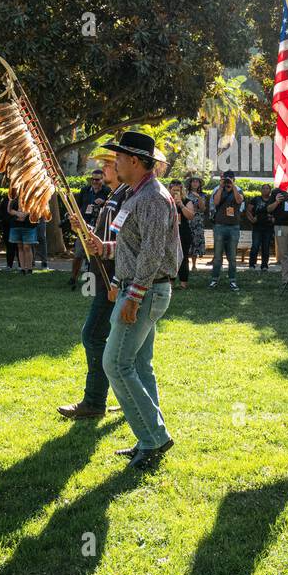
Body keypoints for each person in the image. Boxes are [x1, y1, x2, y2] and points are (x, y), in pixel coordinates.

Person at [91, 132, 180, 469]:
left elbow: (154, 252)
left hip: (145, 291)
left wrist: (133, 294)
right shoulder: (136, 194)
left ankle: (154, 438)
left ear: (136, 161)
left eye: (119, 157)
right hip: (140, 287)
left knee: (115, 363)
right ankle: (148, 437)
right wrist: (106, 249)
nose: (113, 163)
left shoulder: (152, 198)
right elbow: (136, 247)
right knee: (139, 365)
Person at [59, 148, 127, 420]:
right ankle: (123, 399)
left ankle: (95, 402)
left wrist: (114, 280)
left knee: (93, 336)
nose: (104, 169)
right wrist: (83, 229)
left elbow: (123, 244)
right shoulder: (115, 196)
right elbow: (100, 240)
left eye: (109, 164)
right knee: (128, 348)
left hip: (112, 279)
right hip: (105, 277)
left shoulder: (125, 197)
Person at [71, 169, 109, 289]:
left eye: (97, 179)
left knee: (94, 256)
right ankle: (73, 278)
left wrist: (103, 202)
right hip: (84, 226)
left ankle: (91, 282)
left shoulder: (107, 191)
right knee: (78, 253)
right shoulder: (85, 190)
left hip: (98, 227)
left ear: (102, 179)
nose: (94, 181)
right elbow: (78, 207)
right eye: (92, 179)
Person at [210, 170, 243, 291]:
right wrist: (221, 186)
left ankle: (232, 280)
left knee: (232, 257)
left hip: (233, 227)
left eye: (230, 180)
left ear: (234, 180)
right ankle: (214, 279)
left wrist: (232, 186)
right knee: (217, 256)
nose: (228, 182)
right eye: (226, 180)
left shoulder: (238, 191)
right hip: (220, 226)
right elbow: (216, 202)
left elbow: (239, 201)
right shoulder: (219, 190)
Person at [169, 180, 195, 288]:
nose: (175, 191)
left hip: (183, 233)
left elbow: (191, 216)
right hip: (169, 233)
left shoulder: (187, 201)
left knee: (183, 258)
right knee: (170, 258)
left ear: (181, 190)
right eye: (173, 189)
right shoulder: (166, 201)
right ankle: (170, 282)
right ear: (169, 189)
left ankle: (183, 282)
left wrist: (181, 205)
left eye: (177, 190)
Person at [6, 189, 37, 273]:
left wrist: (25, 214)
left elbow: (34, 207)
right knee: (19, 246)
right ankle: (22, 268)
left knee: (27, 246)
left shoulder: (31, 194)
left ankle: (29, 268)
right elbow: (9, 209)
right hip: (16, 225)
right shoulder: (13, 195)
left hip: (28, 225)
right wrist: (17, 213)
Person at [248, 183, 276, 271]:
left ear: (270, 190)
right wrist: (252, 219)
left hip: (268, 227)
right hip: (257, 227)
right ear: (261, 190)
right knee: (255, 246)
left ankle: (264, 265)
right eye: (263, 188)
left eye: (267, 188)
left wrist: (273, 219)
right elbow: (248, 210)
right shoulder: (256, 199)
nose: (265, 190)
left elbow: (277, 212)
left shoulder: (273, 201)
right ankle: (252, 264)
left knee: (266, 247)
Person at [184, 176, 208, 272]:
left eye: (197, 182)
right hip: (187, 221)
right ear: (190, 183)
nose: (195, 183)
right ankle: (185, 265)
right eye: (193, 181)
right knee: (186, 243)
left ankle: (194, 265)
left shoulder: (202, 195)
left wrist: (198, 197)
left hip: (197, 222)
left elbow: (203, 209)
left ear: (199, 184)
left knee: (195, 243)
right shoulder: (185, 194)